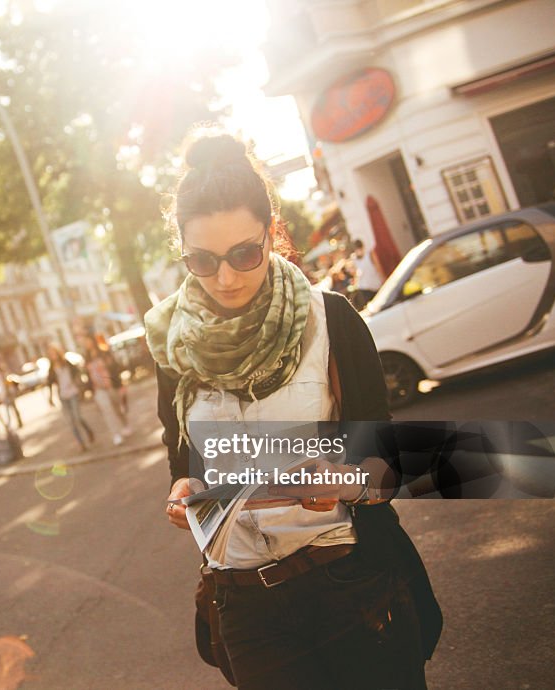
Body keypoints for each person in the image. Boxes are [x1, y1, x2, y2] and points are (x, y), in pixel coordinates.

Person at [146, 128, 441, 690]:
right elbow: (183, 464)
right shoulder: (172, 343)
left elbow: (384, 469)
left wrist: (343, 479)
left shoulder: (330, 319)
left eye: (244, 254)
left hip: (348, 584)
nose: (226, 278)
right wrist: (183, 493)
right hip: (245, 605)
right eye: (202, 260)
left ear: (270, 231)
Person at [80, 333, 131, 446]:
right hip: (98, 389)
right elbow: (87, 375)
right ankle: (116, 434)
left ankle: (125, 424)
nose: (87, 344)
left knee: (117, 408)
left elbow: (114, 368)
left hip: (110, 385)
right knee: (107, 411)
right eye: (85, 342)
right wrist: (90, 388)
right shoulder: (86, 358)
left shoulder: (103, 353)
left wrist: (120, 384)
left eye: (88, 341)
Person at [46, 344, 95, 452]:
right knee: (71, 421)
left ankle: (88, 431)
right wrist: (50, 397)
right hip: (63, 396)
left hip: (73, 393)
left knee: (77, 417)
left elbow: (77, 373)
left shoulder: (66, 363)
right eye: (50, 354)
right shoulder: (51, 368)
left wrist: (79, 385)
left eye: (54, 353)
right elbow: (49, 383)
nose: (52, 355)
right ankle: (81, 444)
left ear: (57, 353)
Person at [351, 239, 383, 310]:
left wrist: (383, 279)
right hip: (364, 287)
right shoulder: (354, 259)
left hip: (375, 284)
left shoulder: (369, 254)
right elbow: (355, 273)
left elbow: (378, 267)